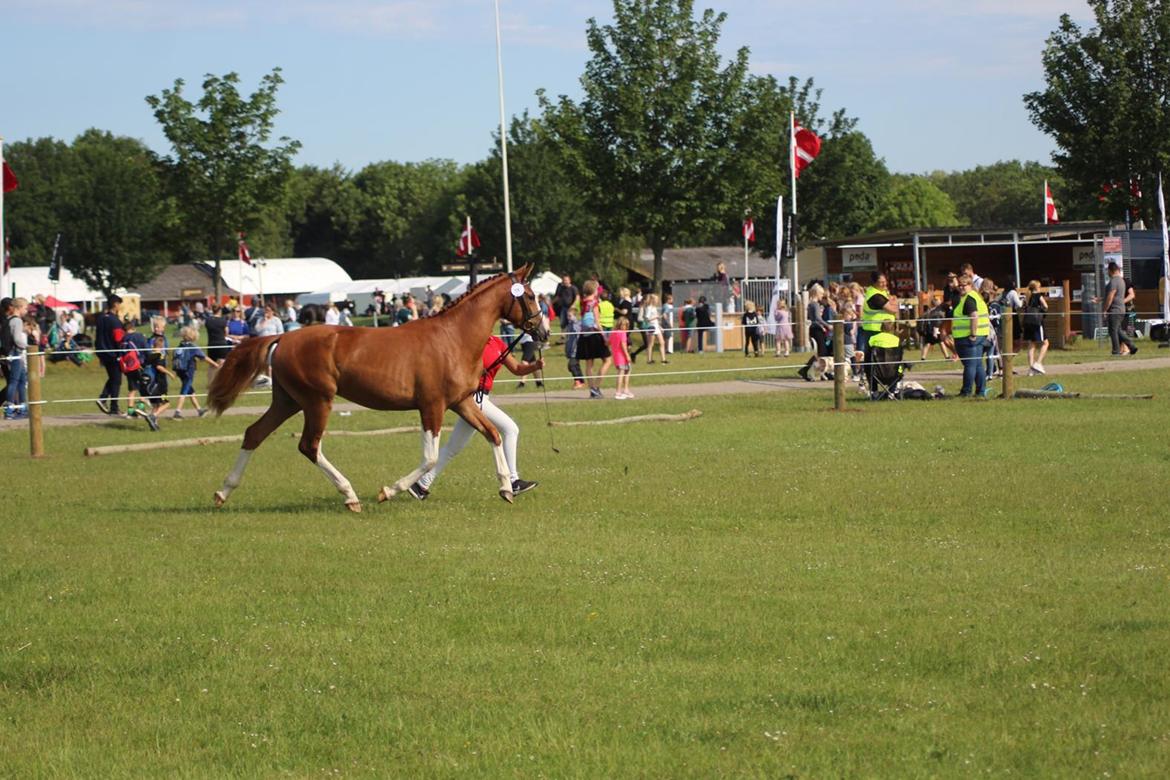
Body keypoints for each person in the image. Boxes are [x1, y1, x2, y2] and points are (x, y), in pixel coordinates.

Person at [408, 336, 543, 500]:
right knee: (510, 429)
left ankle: (420, 485)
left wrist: (536, 366)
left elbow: (516, 368)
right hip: (472, 398)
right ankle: (513, 481)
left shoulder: (497, 343)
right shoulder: (470, 341)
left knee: (453, 447)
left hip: (482, 398)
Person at [952, 273, 990, 397]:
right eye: (960, 285)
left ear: (971, 285)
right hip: (980, 335)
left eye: (965, 285)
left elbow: (974, 316)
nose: (962, 287)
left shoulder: (969, 299)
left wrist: (973, 334)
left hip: (970, 337)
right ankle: (980, 391)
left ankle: (966, 391)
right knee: (977, 364)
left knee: (970, 365)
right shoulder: (975, 296)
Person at [172, 326, 221, 418]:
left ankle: (199, 410)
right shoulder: (193, 347)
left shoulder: (180, 345)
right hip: (188, 371)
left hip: (180, 371)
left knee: (190, 391)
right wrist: (215, 364)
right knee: (184, 391)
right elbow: (204, 357)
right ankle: (177, 412)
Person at [576, 279, 611, 398]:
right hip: (594, 334)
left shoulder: (583, 302)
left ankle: (592, 390)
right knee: (607, 360)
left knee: (589, 364)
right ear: (594, 290)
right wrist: (604, 336)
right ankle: (596, 386)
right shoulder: (594, 303)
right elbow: (597, 321)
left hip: (584, 335)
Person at [4, 299, 37, 420]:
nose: (26, 311)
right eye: (25, 308)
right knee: (14, 382)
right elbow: (17, 339)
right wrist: (27, 347)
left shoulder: (9, 320)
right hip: (16, 354)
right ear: (19, 308)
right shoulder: (17, 320)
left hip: (13, 354)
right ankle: (10, 410)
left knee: (22, 381)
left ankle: (22, 408)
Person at [138, 336, 179, 431]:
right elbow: (159, 367)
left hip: (151, 384)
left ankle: (154, 424)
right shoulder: (160, 355)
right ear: (162, 345)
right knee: (166, 403)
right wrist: (170, 374)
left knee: (156, 405)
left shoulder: (149, 355)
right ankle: (153, 416)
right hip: (160, 384)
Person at [94, 295, 125, 416]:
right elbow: (118, 338)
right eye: (119, 304)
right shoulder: (115, 320)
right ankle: (113, 406)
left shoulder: (101, 318)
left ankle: (104, 399)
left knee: (113, 378)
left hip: (102, 352)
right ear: (115, 304)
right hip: (113, 353)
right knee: (117, 380)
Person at [859, 272, 899, 361]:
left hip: (884, 328)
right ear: (874, 282)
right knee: (875, 356)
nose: (884, 284)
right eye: (881, 282)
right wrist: (894, 301)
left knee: (885, 355)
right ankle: (871, 373)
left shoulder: (881, 292)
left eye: (885, 281)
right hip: (875, 329)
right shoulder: (875, 296)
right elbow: (893, 309)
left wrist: (892, 301)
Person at [1102, 261, 1137, 357]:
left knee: (1113, 330)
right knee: (1117, 330)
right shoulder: (1121, 281)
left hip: (1115, 309)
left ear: (1110, 270)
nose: (1107, 273)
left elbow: (1111, 296)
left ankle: (1116, 350)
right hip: (1121, 309)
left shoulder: (1114, 281)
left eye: (1108, 271)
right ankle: (1131, 346)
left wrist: (1105, 309)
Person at [798, 285, 831, 381]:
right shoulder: (815, 304)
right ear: (817, 293)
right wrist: (827, 325)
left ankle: (819, 372)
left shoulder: (810, 304)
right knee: (822, 352)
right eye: (821, 294)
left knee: (821, 352)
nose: (822, 296)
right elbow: (817, 318)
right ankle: (818, 372)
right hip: (817, 329)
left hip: (814, 328)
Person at [1021, 280, 1050, 375]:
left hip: (1027, 322)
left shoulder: (1027, 297)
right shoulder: (1038, 295)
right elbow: (1046, 306)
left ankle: (1031, 368)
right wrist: (1042, 311)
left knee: (1031, 344)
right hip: (1037, 322)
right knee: (1045, 343)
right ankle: (1038, 363)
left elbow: (1023, 307)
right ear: (1037, 287)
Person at [609, 316, 633, 399]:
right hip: (622, 357)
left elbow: (608, 343)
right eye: (625, 325)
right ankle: (618, 392)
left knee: (627, 371)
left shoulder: (613, 332)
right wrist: (627, 355)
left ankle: (626, 390)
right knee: (621, 374)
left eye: (627, 325)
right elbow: (623, 345)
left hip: (616, 356)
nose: (626, 327)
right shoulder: (622, 333)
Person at [563, 308, 586, 389]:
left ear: (575, 316)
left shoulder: (577, 324)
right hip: (570, 349)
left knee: (572, 365)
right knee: (574, 366)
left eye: (570, 316)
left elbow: (579, 335)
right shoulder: (569, 325)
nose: (568, 317)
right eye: (567, 316)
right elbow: (568, 338)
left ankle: (578, 382)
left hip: (576, 349)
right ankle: (581, 381)